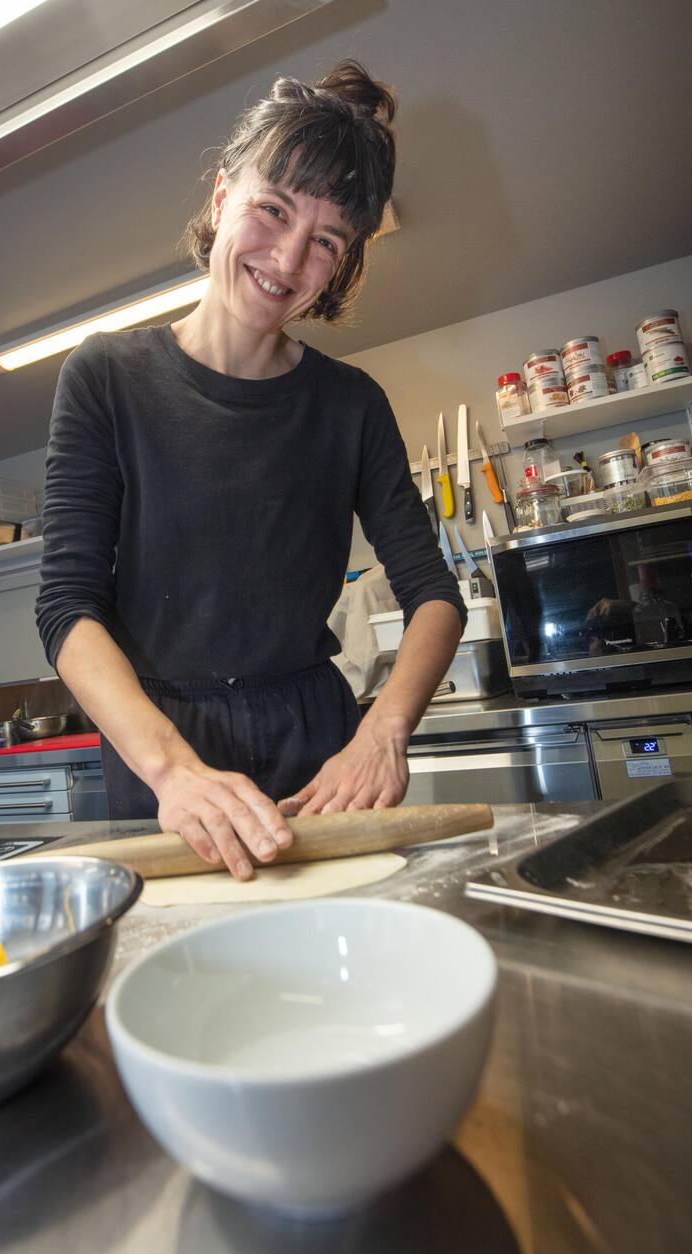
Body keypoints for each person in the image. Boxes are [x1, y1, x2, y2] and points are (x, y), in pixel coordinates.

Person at [36, 61, 466, 881]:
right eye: (272, 210)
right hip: (161, 748)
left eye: (327, 242)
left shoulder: (351, 405)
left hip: (319, 753)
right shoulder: (104, 378)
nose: (288, 257)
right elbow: (66, 606)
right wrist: (172, 770)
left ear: (339, 267)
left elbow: (433, 595)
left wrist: (381, 734)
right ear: (221, 196)